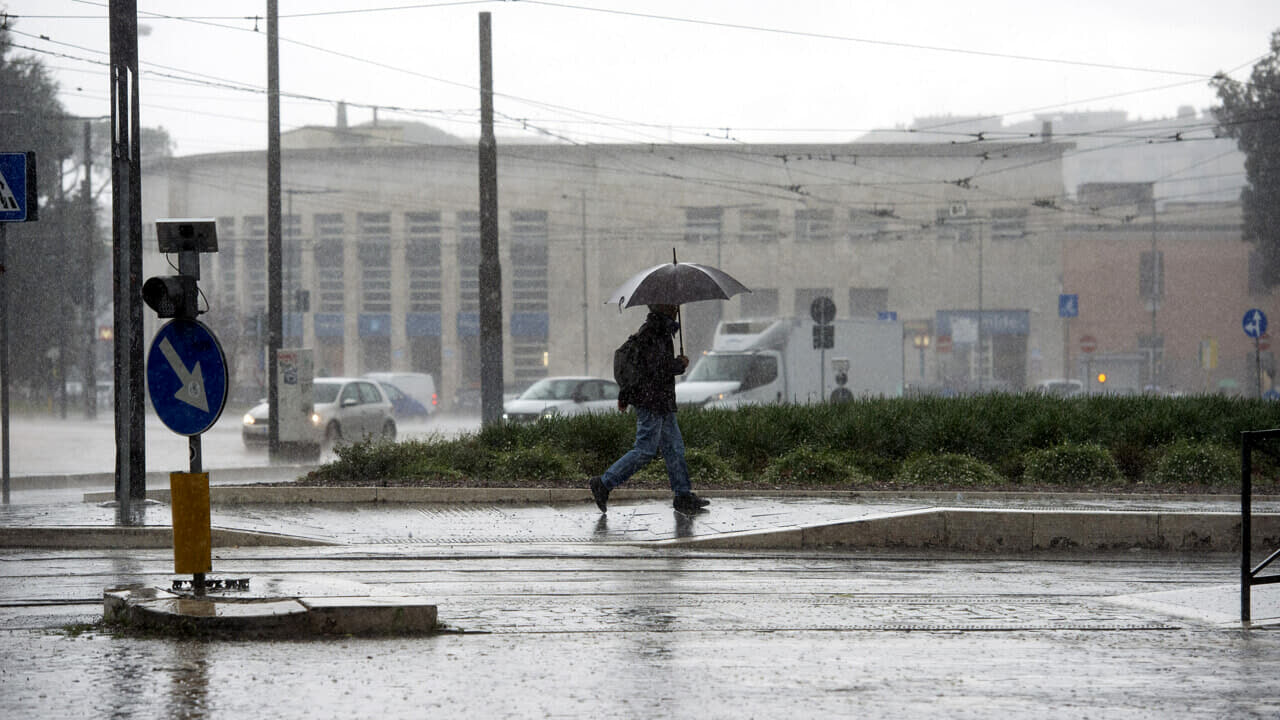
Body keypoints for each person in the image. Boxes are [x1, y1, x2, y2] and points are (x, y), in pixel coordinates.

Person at [589, 304, 710, 514]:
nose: (676, 308)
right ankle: (604, 483)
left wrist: (674, 365)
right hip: (652, 401)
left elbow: (652, 367)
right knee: (645, 449)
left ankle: (682, 495)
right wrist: (678, 365)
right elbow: (655, 369)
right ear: (663, 308)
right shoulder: (653, 332)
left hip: (661, 401)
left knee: (674, 448)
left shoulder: (660, 330)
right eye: (672, 305)